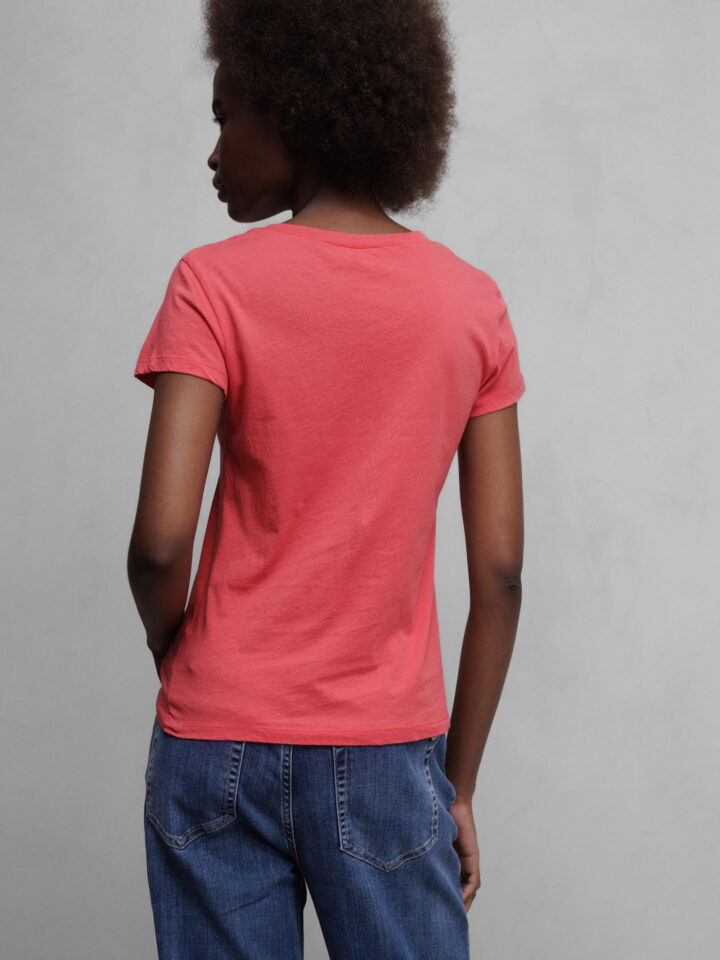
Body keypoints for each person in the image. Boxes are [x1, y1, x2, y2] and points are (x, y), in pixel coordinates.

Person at [127, 1, 525, 957]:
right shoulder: (470, 305)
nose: (213, 151)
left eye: (225, 116)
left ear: (292, 107)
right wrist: (458, 784)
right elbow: (501, 574)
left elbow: (159, 544)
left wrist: (183, 654)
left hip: (214, 740)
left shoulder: (210, 285)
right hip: (387, 752)